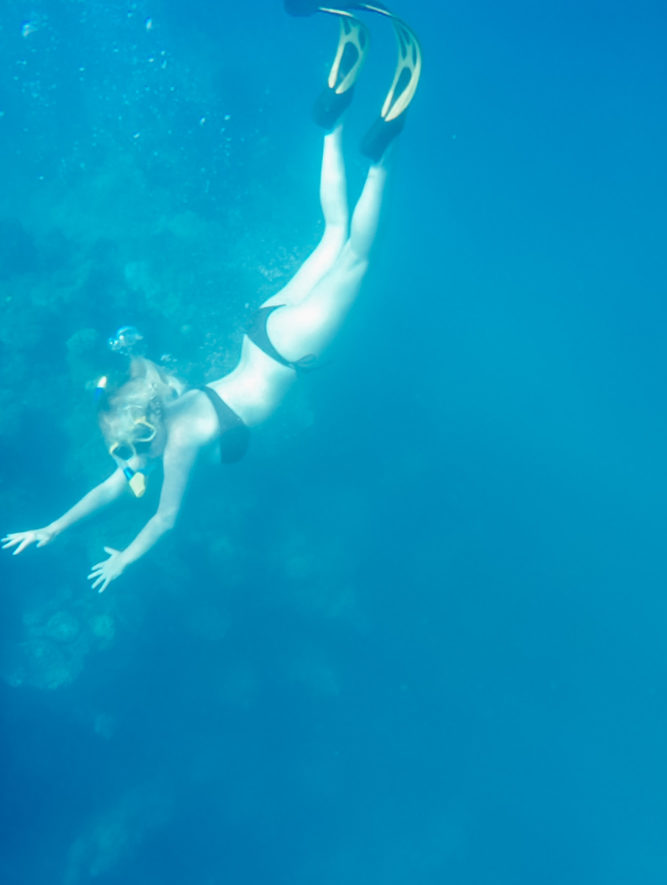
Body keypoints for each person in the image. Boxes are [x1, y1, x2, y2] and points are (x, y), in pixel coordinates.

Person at [2, 2, 421, 593]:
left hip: (286, 349)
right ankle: (332, 125)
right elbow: (113, 485)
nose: (128, 466)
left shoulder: (177, 446)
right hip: (260, 328)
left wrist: (125, 558)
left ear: (142, 434)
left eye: (129, 453)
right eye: (123, 456)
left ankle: (382, 158)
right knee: (329, 232)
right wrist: (54, 527)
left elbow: (166, 519)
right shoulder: (161, 408)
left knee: (355, 253)